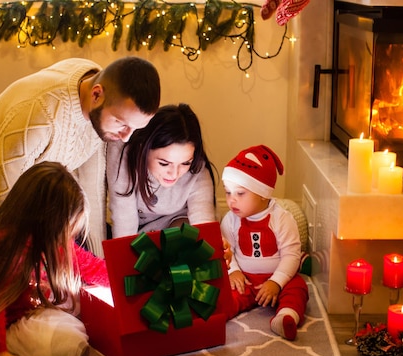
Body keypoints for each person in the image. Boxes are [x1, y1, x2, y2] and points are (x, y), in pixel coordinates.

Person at [0, 56, 161, 258]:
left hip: (38, 205)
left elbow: (91, 187)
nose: (125, 137)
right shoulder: (39, 115)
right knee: (37, 276)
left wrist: (99, 263)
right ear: (96, 95)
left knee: (80, 265)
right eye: (121, 123)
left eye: (134, 128)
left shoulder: (97, 90)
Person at [0, 161, 109, 356]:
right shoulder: (3, 248)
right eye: (66, 229)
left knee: (89, 296)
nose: (68, 237)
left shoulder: (52, 238)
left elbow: (89, 266)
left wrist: (120, 277)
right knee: (69, 343)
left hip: (38, 302)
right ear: (47, 221)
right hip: (11, 322)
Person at [220, 145, 309, 340]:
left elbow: (291, 256)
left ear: (263, 194)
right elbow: (227, 251)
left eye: (240, 194)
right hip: (246, 279)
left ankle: (286, 316)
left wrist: (276, 282)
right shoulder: (230, 219)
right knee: (228, 290)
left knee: (298, 287)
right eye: (228, 192)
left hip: (279, 277)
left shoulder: (282, 219)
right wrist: (233, 270)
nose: (231, 200)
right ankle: (215, 317)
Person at [107, 103, 217, 238]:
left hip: (176, 224)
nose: (174, 173)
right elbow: (123, 217)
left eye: (185, 163)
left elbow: (204, 224)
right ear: (144, 149)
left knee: (186, 235)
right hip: (138, 232)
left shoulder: (197, 171)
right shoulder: (124, 154)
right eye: (164, 163)